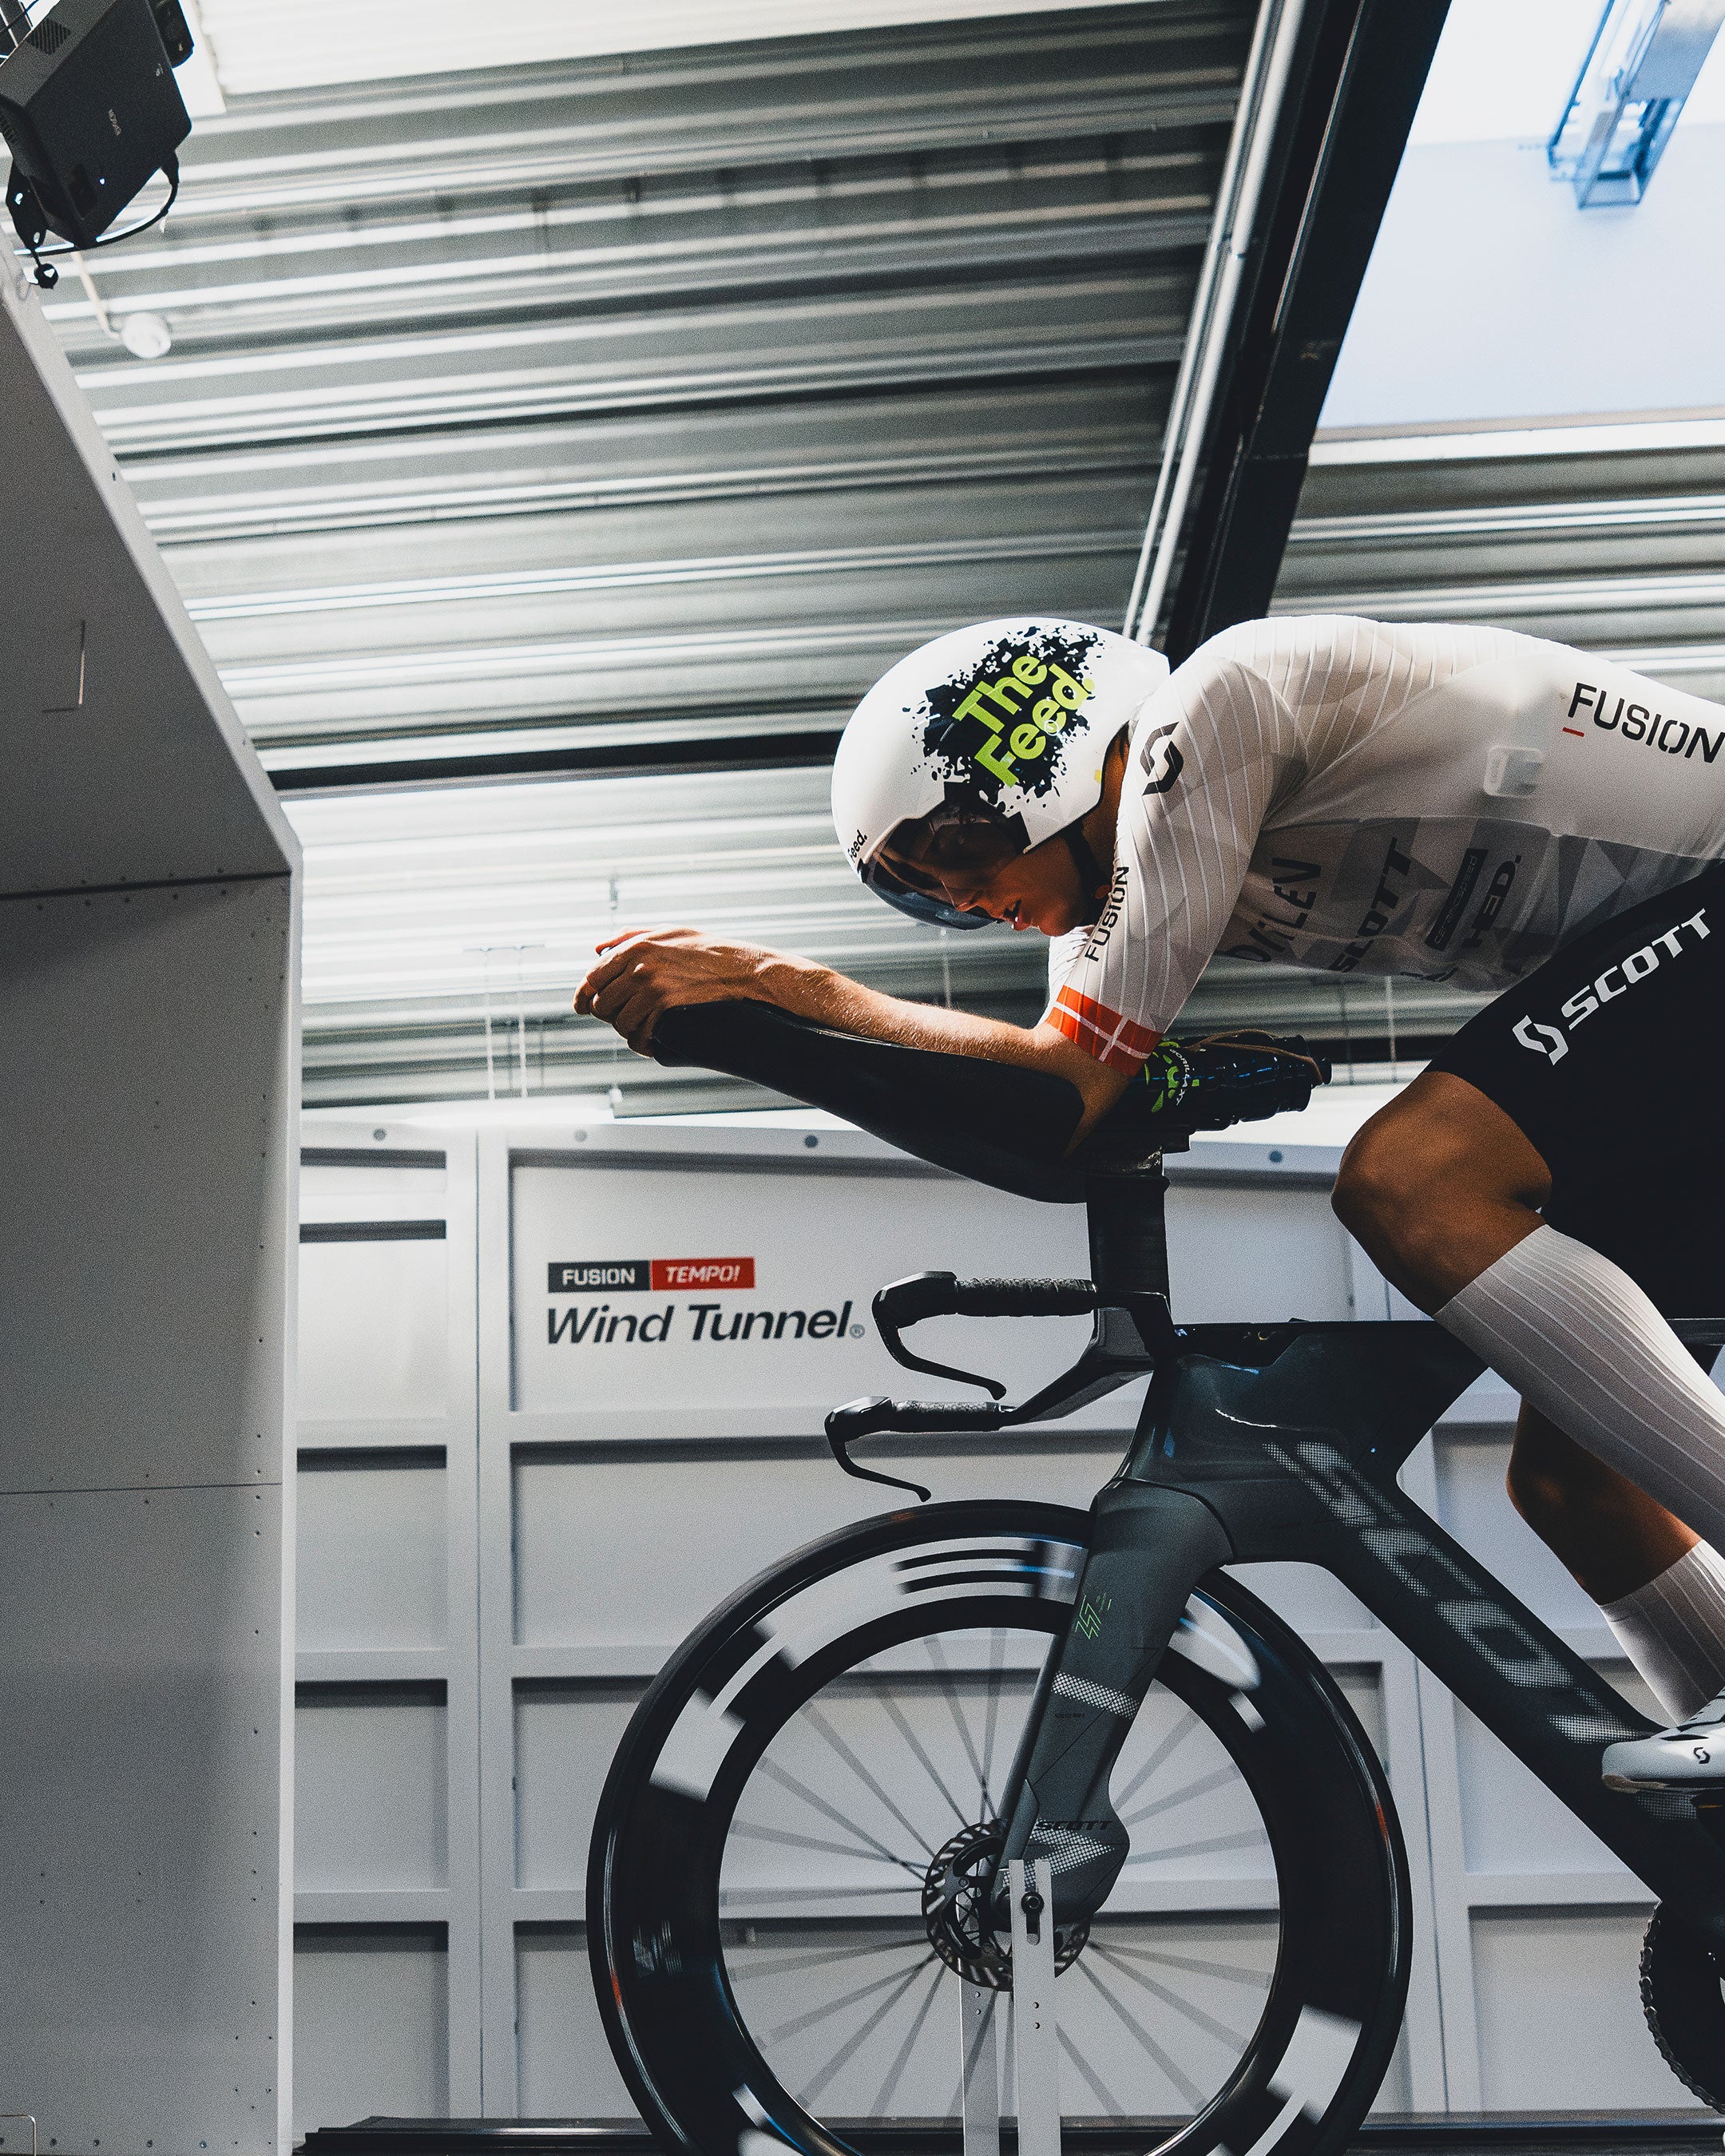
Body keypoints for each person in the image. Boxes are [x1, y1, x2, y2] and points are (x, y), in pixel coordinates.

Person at [576, 612, 1725, 1788]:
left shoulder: (1213, 709)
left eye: (955, 858)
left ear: (1045, 765)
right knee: (1578, 1485)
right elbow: (1043, 1129)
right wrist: (765, 1033)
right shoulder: (1127, 878)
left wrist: (784, 989)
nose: (965, 903)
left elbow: (1058, 1092)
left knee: (1413, 1178)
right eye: (926, 895)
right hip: (1687, 1027)